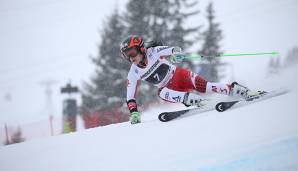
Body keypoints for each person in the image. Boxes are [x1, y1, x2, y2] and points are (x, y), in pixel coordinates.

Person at [120, 35, 256, 124]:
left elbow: (174, 49)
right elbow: (130, 96)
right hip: (168, 88)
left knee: (205, 87)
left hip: (178, 75)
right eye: (127, 56)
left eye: (132, 53)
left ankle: (238, 90)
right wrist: (134, 113)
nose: (131, 58)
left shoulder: (153, 52)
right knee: (161, 92)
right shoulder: (133, 72)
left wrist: (175, 55)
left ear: (142, 49)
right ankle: (193, 100)